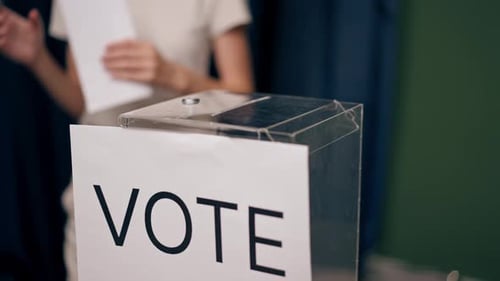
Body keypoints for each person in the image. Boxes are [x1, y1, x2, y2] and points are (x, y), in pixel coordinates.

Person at [0, 0, 253, 280]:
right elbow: (83, 103)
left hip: (185, 202)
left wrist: (174, 76)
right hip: (104, 199)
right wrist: (37, 58)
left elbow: (243, 100)